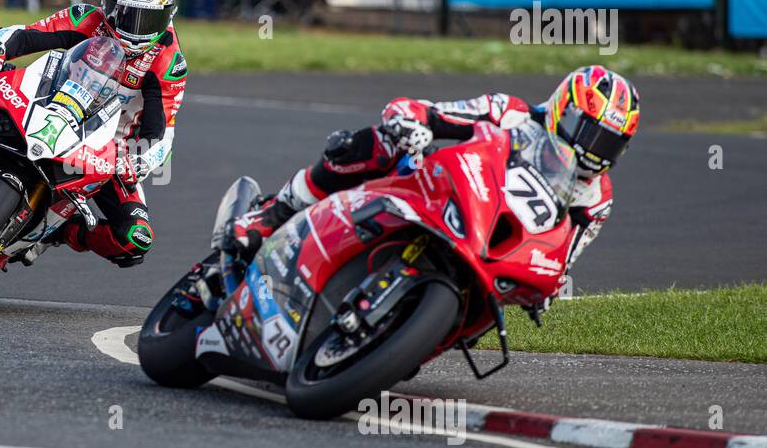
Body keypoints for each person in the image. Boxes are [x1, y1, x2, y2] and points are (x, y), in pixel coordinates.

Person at [231, 66, 640, 285]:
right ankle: (274, 212)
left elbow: (564, 259)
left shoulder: (596, 198)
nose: (592, 151)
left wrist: (545, 287)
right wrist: (411, 121)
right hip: (445, 194)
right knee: (378, 145)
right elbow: (430, 111)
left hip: (495, 252)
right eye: (589, 133)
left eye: (609, 144)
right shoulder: (509, 112)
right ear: (563, 108)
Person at [0, 0, 187, 269]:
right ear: (108, 4)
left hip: (106, 149)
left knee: (134, 238)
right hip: (49, 105)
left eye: (149, 19)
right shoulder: (87, 17)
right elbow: (27, 34)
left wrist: (140, 160)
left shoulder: (169, 63)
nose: (136, 30)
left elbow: (161, 132)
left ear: (168, 15)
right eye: (127, 15)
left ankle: (60, 231)